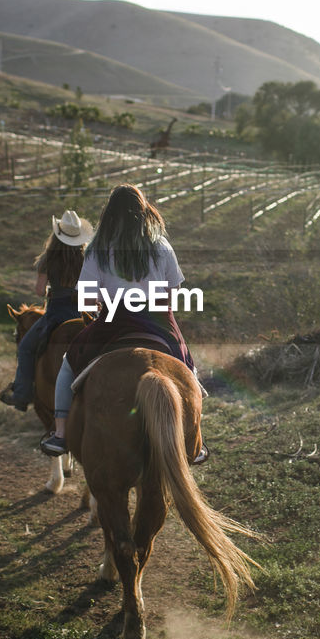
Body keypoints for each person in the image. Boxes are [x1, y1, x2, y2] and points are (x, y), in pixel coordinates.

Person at [40, 184, 205, 463]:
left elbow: (87, 302)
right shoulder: (162, 245)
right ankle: (196, 441)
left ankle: (60, 435)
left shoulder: (98, 248)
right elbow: (173, 293)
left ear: (110, 213)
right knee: (188, 370)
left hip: (115, 319)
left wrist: (102, 305)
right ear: (144, 212)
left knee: (69, 363)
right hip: (158, 318)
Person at [0, 210, 92, 411]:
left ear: (57, 234)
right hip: (82, 314)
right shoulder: (87, 258)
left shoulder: (48, 259)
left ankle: (22, 395)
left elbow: (40, 291)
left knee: (25, 348)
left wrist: (53, 290)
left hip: (56, 315)